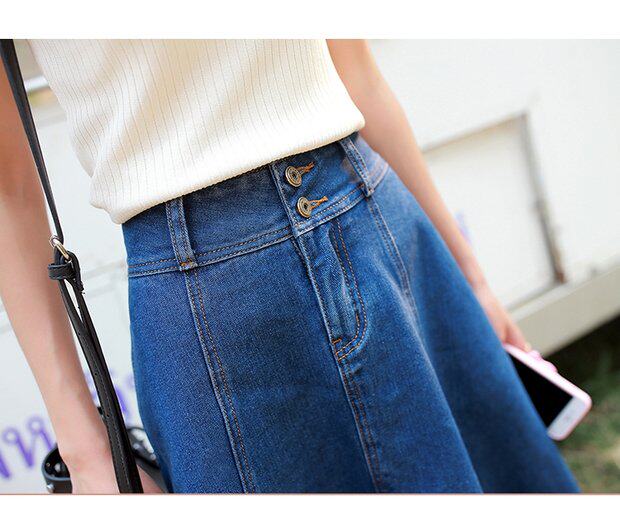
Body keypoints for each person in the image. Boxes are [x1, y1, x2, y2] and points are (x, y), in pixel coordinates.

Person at [0, 40, 578, 493]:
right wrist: (86, 451)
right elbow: (8, 189)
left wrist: (471, 279)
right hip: (210, 305)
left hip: (373, 217)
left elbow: (356, 73)